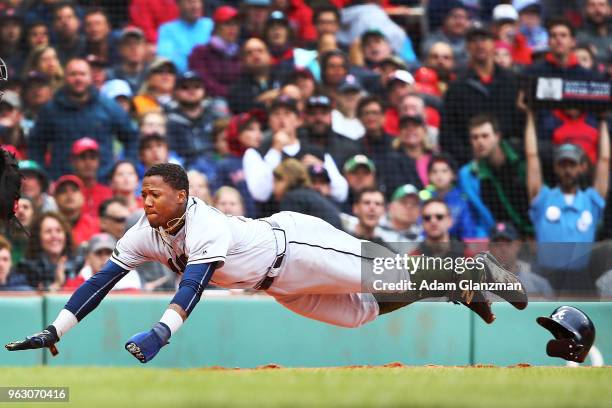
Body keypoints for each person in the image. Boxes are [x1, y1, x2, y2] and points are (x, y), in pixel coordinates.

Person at [6, 163, 527, 362]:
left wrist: (159, 334)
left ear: (183, 196)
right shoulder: (145, 231)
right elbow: (99, 281)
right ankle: (458, 288)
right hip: (276, 285)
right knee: (361, 312)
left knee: (390, 274)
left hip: (295, 245)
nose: (145, 202)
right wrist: (56, 328)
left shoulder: (204, 223)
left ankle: (474, 270)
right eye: (142, 193)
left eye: (155, 194)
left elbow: (193, 287)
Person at [524, 107, 609, 294]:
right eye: (563, 164)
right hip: (545, 278)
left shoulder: (591, 201)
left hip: (581, 280)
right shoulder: (543, 198)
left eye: (572, 164)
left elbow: (604, 160)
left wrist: (603, 119)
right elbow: (532, 157)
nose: (567, 170)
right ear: (555, 167)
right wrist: (530, 115)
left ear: (582, 167)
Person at [29, 58, 138, 180]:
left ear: (90, 77)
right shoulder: (50, 110)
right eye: (73, 74)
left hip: (102, 181)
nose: (78, 79)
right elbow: (36, 144)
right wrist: (44, 176)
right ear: (65, 78)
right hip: (63, 183)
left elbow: (131, 137)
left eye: (82, 74)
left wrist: (127, 166)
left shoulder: (108, 106)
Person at [440, 26, 523, 165]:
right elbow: (449, 132)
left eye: (484, 39)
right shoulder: (457, 86)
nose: (479, 45)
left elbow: (521, 121)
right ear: (467, 47)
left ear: (493, 44)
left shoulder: (512, 80)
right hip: (471, 162)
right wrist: (468, 157)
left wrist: (511, 151)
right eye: (474, 40)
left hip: (510, 160)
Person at [458, 114, 531, 237]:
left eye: (485, 136)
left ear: (497, 136)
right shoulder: (470, 175)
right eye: (475, 137)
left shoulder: (521, 156)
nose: (480, 142)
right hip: (506, 237)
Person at [166, 71, 228, 176]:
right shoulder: (169, 120)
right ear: (175, 92)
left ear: (204, 90)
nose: (192, 91)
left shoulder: (215, 116)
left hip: (215, 163)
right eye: (185, 87)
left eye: (197, 86)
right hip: (184, 168)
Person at [420, 154, 479, 240]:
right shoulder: (423, 198)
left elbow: (468, 232)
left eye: (444, 171)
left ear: (453, 175)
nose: (439, 176)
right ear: (428, 176)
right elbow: (420, 230)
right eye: (434, 171)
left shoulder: (462, 199)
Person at [488, 221, 553, 298]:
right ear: (490, 247)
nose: (503, 249)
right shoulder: (478, 287)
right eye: (497, 243)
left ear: (517, 245)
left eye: (508, 243)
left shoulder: (539, 285)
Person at [188, 6, 241, 98]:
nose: (233, 28)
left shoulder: (239, 53)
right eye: (227, 24)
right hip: (209, 100)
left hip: (237, 100)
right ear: (216, 27)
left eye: (236, 24)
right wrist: (230, 93)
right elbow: (202, 81)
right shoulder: (200, 52)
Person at [17, 212, 79, 291]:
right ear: (38, 238)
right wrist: (58, 283)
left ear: (65, 235)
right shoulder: (26, 268)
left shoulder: (77, 265)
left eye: (58, 230)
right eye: (48, 231)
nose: (54, 236)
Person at [273, 159, 342, 229]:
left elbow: (291, 233)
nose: (273, 186)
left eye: (275, 181)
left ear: (285, 179)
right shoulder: (307, 195)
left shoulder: (292, 198)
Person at [227, 38, 290, 113]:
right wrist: (266, 98)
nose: (255, 55)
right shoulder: (237, 87)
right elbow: (243, 110)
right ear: (243, 61)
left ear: (269, 56)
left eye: (260, 51)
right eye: (249, 53)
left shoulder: (284, 75)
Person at [63, 233, 141, 292]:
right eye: (98, 253)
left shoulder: (129, 276)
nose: (104, 258)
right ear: (88, 258)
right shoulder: (77, 283)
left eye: (108, 253)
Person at [300, 95, 360, 169]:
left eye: (323, 113)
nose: (318, 118)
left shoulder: (348, 147)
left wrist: (323, 167)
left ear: (331, 116)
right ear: (305, 117)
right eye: (313, 113)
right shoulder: (296, 145)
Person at [157, 0, 214, 72]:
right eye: (190, 2)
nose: (195, 6)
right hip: (181, 79)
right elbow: (166, 58)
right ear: (178, 5)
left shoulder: (211, 25)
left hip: (210, 77)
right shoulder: (167, 30)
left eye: (198, 2)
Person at [70, 138, 113, 219]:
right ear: (73, 161)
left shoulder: (108, 193)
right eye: (83, 157)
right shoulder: (67, 193)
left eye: (92, 157)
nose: (88, 162)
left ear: (98, 161)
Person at [52, 175, 100, 247]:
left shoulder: (94, 224)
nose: (69, 194)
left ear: (83, 197)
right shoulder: (50, 225)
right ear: (55, 199)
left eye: (74, 190)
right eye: (63, 191)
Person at [421, 1, 470, 68]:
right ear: (445, 19)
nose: (459, 22)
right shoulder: (432, 39)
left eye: (463, 18)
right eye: (455, 17)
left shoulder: (470, 39)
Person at [106, 27, 148, 94]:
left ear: (145, 48)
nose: (134, 48)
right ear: (120, 49)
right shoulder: (110, 75)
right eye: (129, 44)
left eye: (137, 43)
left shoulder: (152, 73)